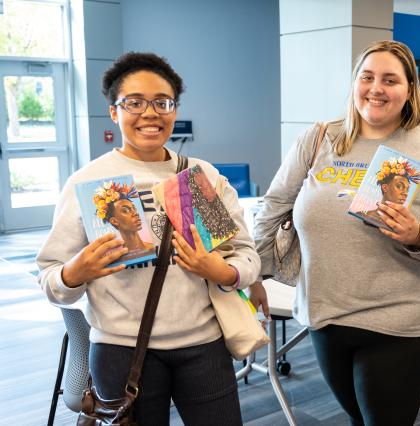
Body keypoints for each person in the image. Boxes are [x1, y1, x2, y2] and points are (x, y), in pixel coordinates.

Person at [251, 40, 420, 425]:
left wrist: (418, 236)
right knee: (359, 419)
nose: (376, 88)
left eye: (390, 80)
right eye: (367, 77)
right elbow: (272, 207)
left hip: (399, 322)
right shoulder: (320, 139)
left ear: (409, 90)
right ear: (355, 82)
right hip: (326, 316)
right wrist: (255, 273)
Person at [37, 52, 260, 426]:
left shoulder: (197, 176)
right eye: (134, 103)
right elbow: (50, 278)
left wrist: (221, 271)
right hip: (121, 350)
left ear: (174, 109)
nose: (150, 113)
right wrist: (75, 272)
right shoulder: (89, 185)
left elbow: (246, 258)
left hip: (203, 345)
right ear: (114, 112)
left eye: (162, 102)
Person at [95, 181, 155, 259]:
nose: (135, 213)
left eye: (134, 208)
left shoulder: (152, 249)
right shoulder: (115, 258)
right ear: (114, 221)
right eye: (125, 210)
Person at [356, 156, 420, 227]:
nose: (405, 193)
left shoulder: (404, 225)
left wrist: (417, 236)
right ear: (385, 187)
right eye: (399, 186)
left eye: (407, 189)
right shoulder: (361, 214)